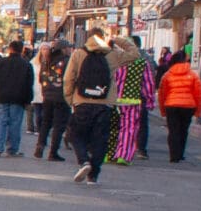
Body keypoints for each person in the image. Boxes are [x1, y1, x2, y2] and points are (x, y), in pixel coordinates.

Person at [64, 27, 117, 184]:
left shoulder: (78, 54)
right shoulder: (111, 56)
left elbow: (69, 79)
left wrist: (70, 99)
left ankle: (84, 161)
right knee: (100, 139)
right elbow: (132, 57)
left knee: (76, 134)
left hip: (82, 102)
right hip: (104, 104)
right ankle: (93, 175)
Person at [0, 34, 33, 157]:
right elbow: (29, 84)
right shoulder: (26, 65)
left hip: (0, 97)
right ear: (21, 50)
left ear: (9, 49)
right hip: (18, 98)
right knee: (15, 123)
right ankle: (12, 148)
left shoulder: (0, 63)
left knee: (0, 122)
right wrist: (28, 100)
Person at [107, 36, 152, 166]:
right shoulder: (141, 63)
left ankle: (108, 153)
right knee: (129, 128)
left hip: (112, 99)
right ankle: (123, 154)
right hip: (130, 100)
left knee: (111, 127)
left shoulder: (111, 61)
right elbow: (147, 84)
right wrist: (149, 101)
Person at [157, 48, 201, 162]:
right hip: (188, 106)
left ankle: (174, 155)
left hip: (171, 105)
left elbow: (162, 94)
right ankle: (180, 153)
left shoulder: (167, 75)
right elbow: (199, 94)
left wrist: (162, 110)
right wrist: (198, 111)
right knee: (183, 130)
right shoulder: (193, 75)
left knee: (173, 130)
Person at [34, 37, 72, 160]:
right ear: (63, 49)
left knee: (46, 122)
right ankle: (53, 152)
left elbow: (41, 78)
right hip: (61, 97)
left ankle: (40, 146)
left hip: (47, 96)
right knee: (59, 125)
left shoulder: (46, 61)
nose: (70, 50)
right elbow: (70, 79)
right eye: (68, 48)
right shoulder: (67, 61)